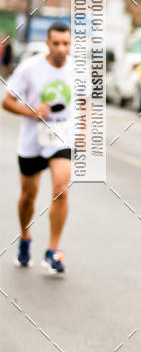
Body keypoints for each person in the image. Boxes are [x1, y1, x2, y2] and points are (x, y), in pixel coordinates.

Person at [2, 22, 73, 274]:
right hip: (32, 139)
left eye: (66, 43)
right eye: (56, 43)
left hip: (60, 138)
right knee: (28, 197)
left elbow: (85, 104)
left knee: (61, 190)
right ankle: (25, 238)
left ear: (70, 43)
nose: (61, 48)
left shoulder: (77, 70)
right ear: (48, 43)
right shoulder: (30, 68)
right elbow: (7, 102)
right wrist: (31, 112)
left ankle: (52, 251)